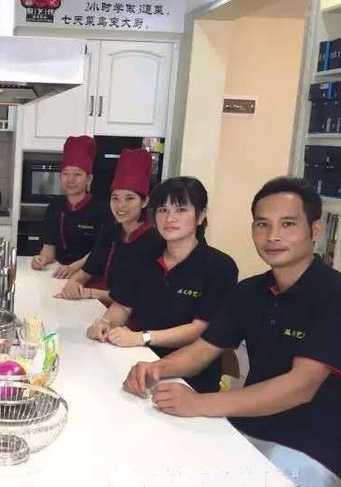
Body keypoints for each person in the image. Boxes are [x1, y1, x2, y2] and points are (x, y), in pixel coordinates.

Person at [122, 177, 341, 486]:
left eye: (288, 224)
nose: (273, 236)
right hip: (243, 427)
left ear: (315, 230)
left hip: (308, 450)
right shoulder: (250, 291)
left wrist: (199, 403)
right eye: (262, 224)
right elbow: (203, 351)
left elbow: (300, 386)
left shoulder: (333, 293)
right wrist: (154, 368)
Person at [87, 176, 238, 393]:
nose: (170, 218)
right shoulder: (143, 254)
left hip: (188, 380)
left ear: (201, 215)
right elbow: (122, 305)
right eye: (162, 210)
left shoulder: (219, 266)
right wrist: (104, 323)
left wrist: (143, 337)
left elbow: (199, 329)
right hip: (134, 359)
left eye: (180, 210)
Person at [58, 148, 162, 304]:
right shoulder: (111, 232)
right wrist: (73, 282)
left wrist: (91, 293)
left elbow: (137, 297)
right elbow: (87, 271)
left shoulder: (154, 242)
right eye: (115, 198)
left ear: (144, 202)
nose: (121, 205)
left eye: (129, 198)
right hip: (99, 306)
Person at [31, 136, 111, 279]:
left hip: (91, 276)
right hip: (60, 273)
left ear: (89, 179)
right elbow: (49, 248)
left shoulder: (103, 210)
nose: (70, 180)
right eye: (65, 174)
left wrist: (74, 267)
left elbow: (100, 250)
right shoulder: (54, 207)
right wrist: (41, 259)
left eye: (77, 174)